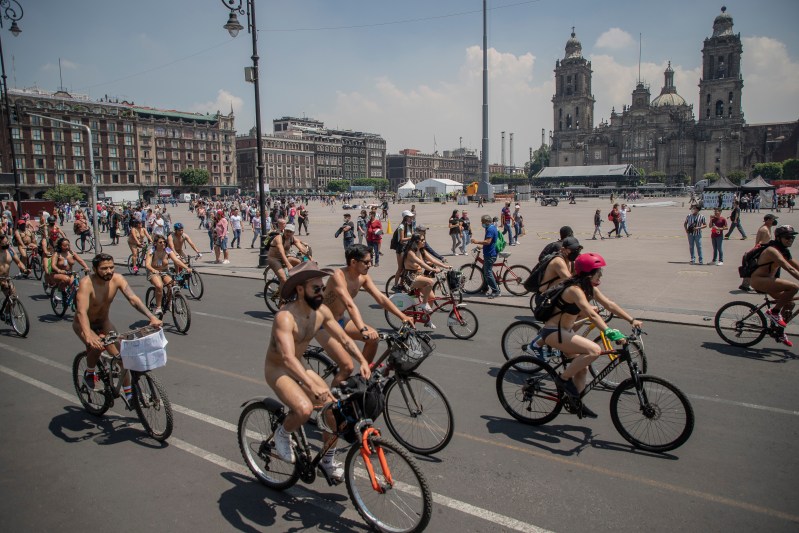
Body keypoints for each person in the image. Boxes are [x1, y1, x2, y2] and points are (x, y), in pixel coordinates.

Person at [265, 261, 370, 480]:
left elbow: (343, 339)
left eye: (322, 288)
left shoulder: (321, 311)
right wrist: (311, 385)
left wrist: (362, 360)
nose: (321, 292)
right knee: (304, 409)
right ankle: (282, 434)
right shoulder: (285, 317)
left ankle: (327, 461)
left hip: (299, 365)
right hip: (279, 369)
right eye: (316, 289)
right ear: (301, 290)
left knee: (333, 413)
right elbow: (286, 357)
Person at [540, 253, 643, 418]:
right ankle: (563, 379)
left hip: (566, 332)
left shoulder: (589, 288)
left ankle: (576, 402)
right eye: (598, 272)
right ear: (589, 274)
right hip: (554, 332)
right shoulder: (574, 290)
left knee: (582, 369)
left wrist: (632, 320)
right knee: (594, 350)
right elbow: (591, 314)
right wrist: (609, 332)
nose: (601, 274)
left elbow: (610, 304)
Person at [73, 253, 162, 401]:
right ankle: (89, 373)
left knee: (122, 358)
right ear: (95, 269)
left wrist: (151, 317)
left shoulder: (118, 279)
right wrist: (88, 335)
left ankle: (128, 394)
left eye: (111, 267)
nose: (109, 271)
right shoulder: (86, 283)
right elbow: (81, 311)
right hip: (84, 324)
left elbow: (133, 298)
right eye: (104, 268)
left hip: (103, 322)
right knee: (97, 347)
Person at [321, 244, 414, 363]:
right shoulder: (338, 277)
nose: (370, 265)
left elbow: (381, 298)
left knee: (373, 341)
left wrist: (403, 316)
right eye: (366, 262)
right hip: (324, 323)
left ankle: (362, 377)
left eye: (370, 261)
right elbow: (349, 305)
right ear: (353, 262)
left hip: (340, 319)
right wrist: (362, 329)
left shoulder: (363, 277)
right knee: (347, 367)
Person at [750, 225, 799, 347]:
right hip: (759, 280)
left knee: (789, 303)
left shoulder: (783, 250)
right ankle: (774, 312)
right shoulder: (772, 250)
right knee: (794, 287)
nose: (790, 240)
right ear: (778, 238)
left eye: (792, 238)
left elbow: (796, 265)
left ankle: (779, 332)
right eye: (787, 237)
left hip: (770, 281)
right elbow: (789, 268)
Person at [145, 234, 192, 316]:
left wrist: (186, 267)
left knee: (172, 284)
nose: (163, 243)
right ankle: (158, 307)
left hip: (165, 271)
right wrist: (154, 270)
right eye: (160, 242)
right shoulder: (151, 251)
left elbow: (176, 261)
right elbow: (147, 265)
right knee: (159, 286)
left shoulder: (167, 250)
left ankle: (169, 302)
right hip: (153, 272)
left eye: (164, 242)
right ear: (155, 243)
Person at [402, 233, 449, 312]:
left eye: (424, 240)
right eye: (422, 240)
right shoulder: (410, 252)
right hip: (411, 278)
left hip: (419, 276)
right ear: (416, 241)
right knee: (430, 282)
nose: (424, 242)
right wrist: (433, 270)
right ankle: (423, 304)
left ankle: (426, 319)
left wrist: (445, 266)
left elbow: (433, 260)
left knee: (431, 298)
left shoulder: (421, 250)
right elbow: (421, 263)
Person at [471, 214, 500, 298]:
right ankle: (484, 288)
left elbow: (488, 242)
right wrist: (481, 246)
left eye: (482, 222)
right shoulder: (491, 227)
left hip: (490, 254)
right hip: (489, 252)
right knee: (484, 271)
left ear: (487, 222)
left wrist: (477, 242)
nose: (482, 223)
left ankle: (495, 290)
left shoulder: (490, 229)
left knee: (488, 272)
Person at [390, 210, 415, 290]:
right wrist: (412, 238)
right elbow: (401, 239)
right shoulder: (402, 226)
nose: (411, 218)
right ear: (405, 218)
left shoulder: (410, 225)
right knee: (400, 268)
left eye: (412, 217)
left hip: (407, 248)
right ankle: (395, 285)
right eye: (410, 217)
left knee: (406, 268)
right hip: (401, 249)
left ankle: (401, 284)